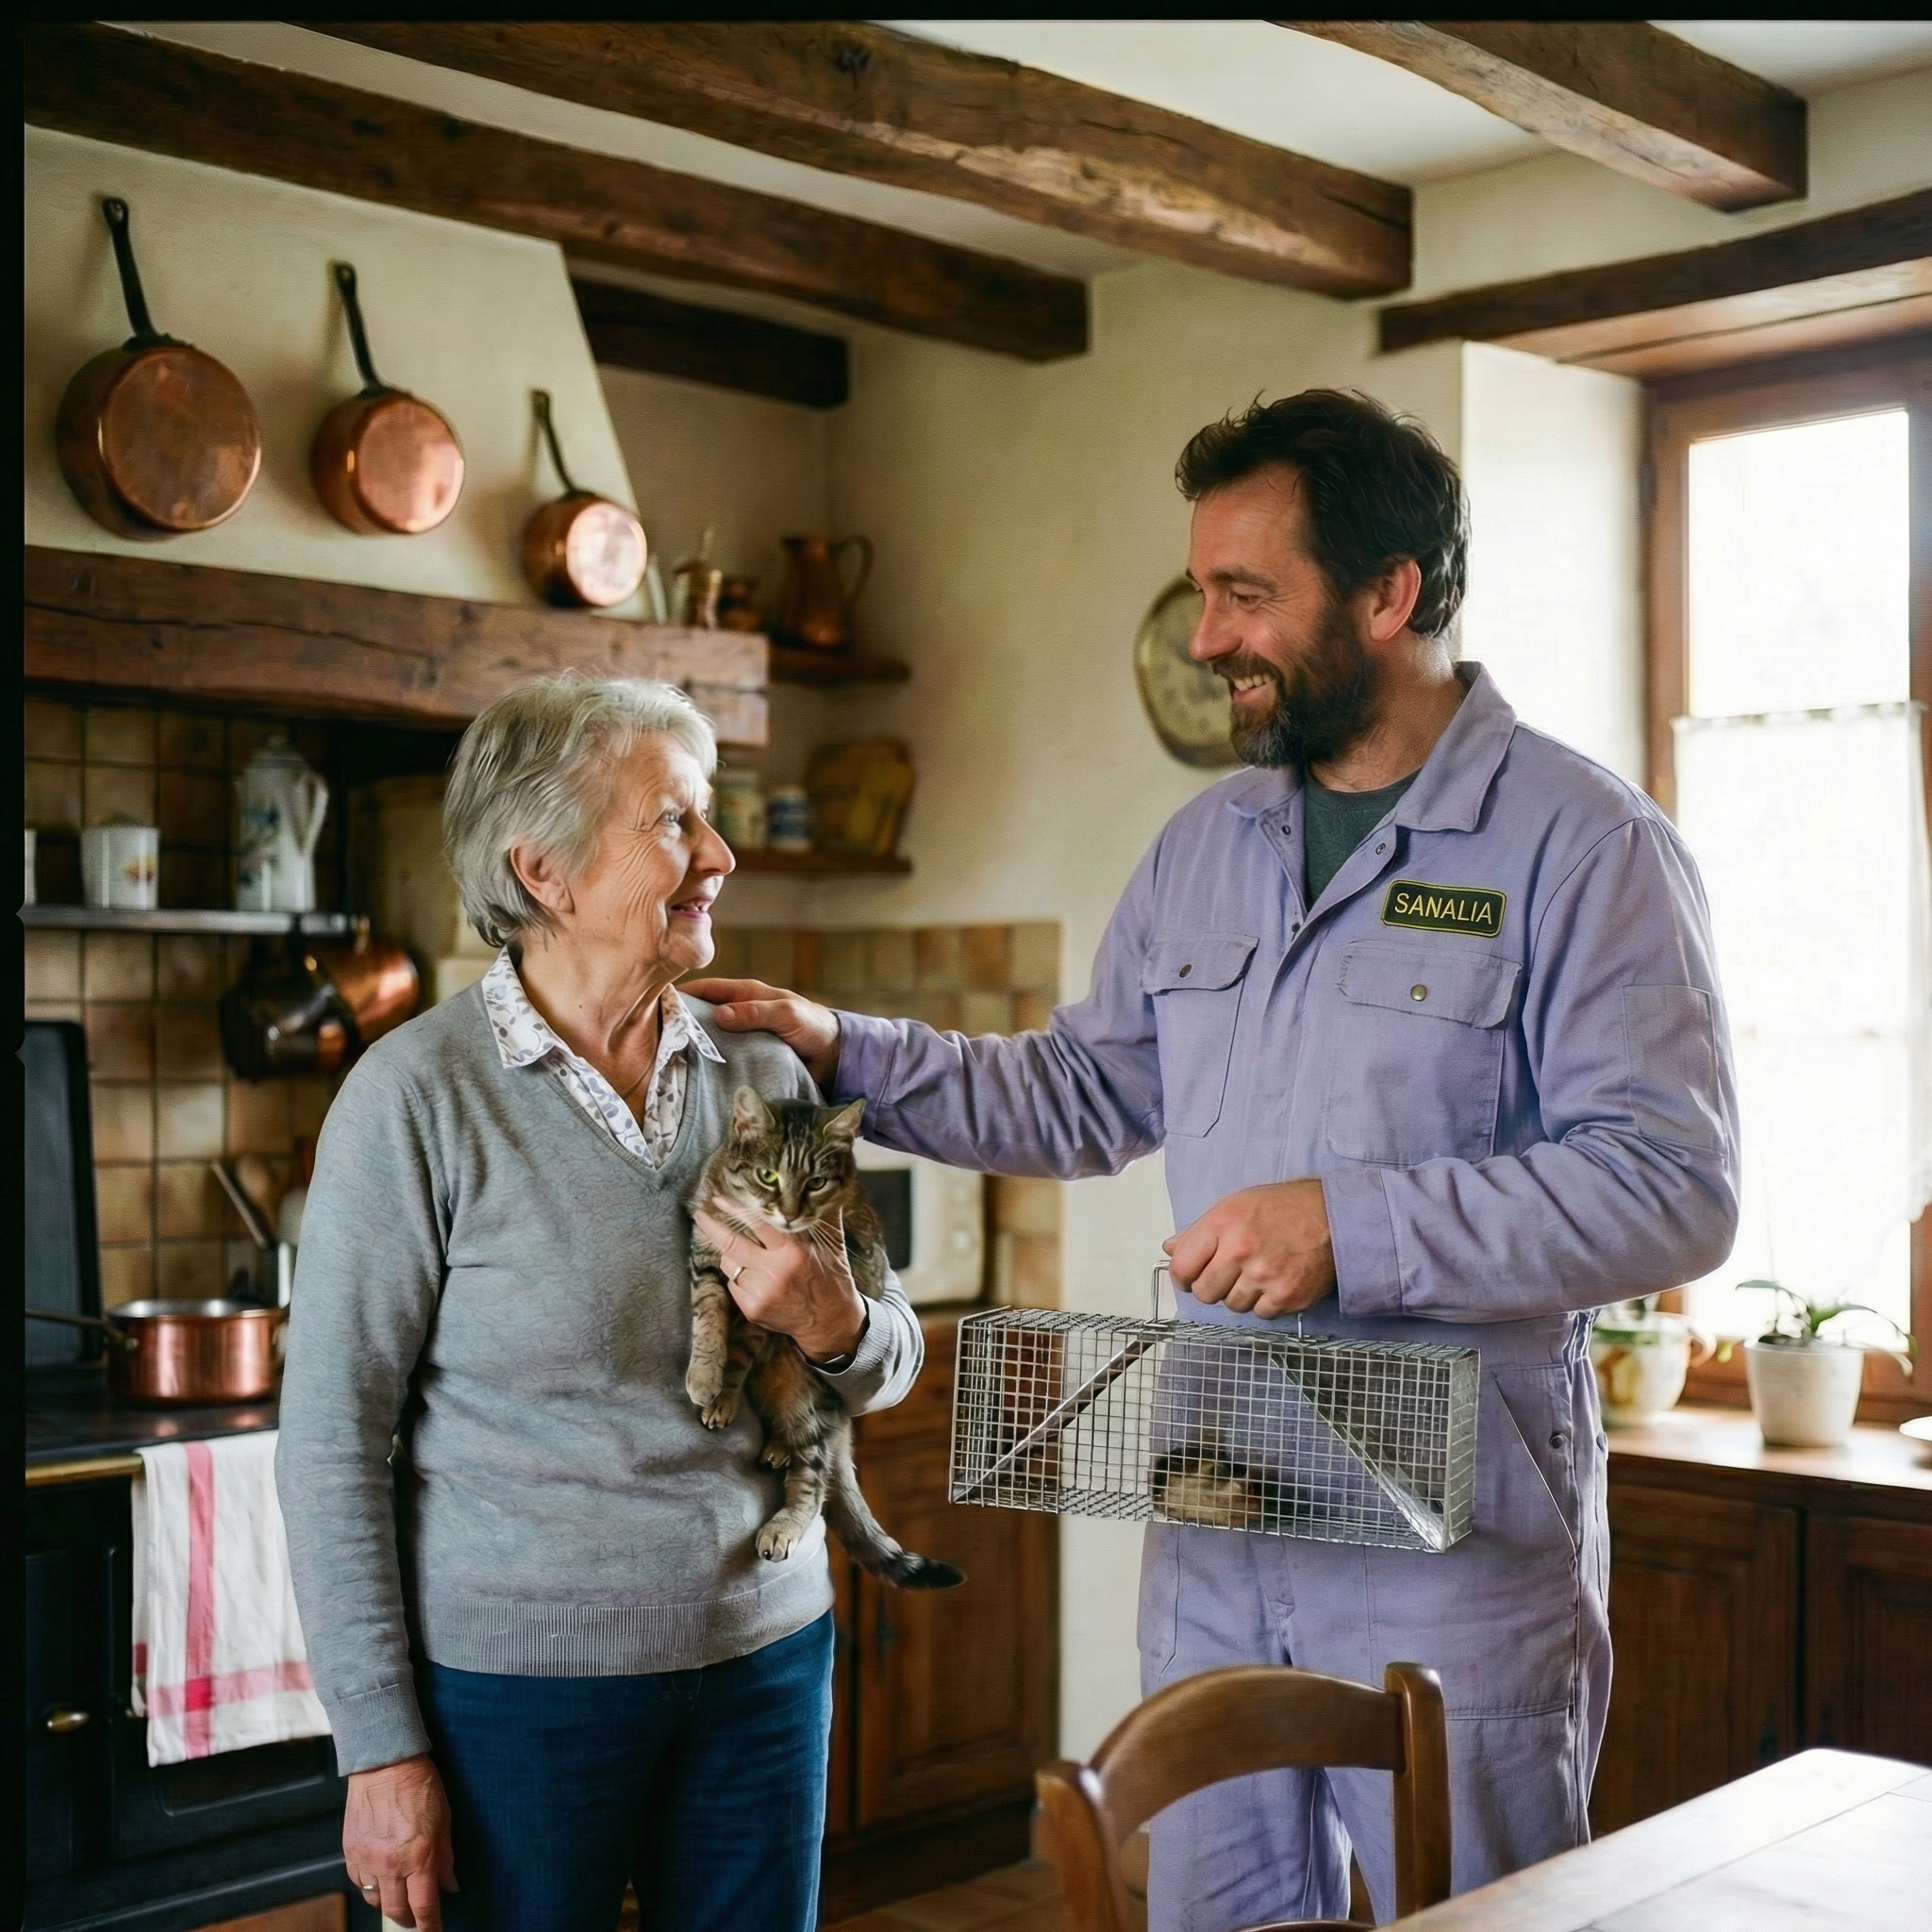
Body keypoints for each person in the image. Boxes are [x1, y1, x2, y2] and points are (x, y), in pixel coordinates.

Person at [688, 391, 1740, 1928]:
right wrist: (840, 1044)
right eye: (1204, 594)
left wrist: (1353, 1226)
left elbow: (1673, 1186)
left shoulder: (1588, 849)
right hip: (1219, 1522)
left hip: (1453, 1554)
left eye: (1248, 596)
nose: (1207, 639)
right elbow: (1074, 1097)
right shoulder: (1205, 848)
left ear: (1390, 596)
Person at [276, 675, 923, 1932]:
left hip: (765, 1664)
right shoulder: (413, 1099)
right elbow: (331, 1447)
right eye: (677, 822)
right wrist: (379, 1750)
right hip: (512, 1696)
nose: (722, 855)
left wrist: (834, 1321)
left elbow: (883, 1358)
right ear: (547, 872)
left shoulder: (766, 1067)